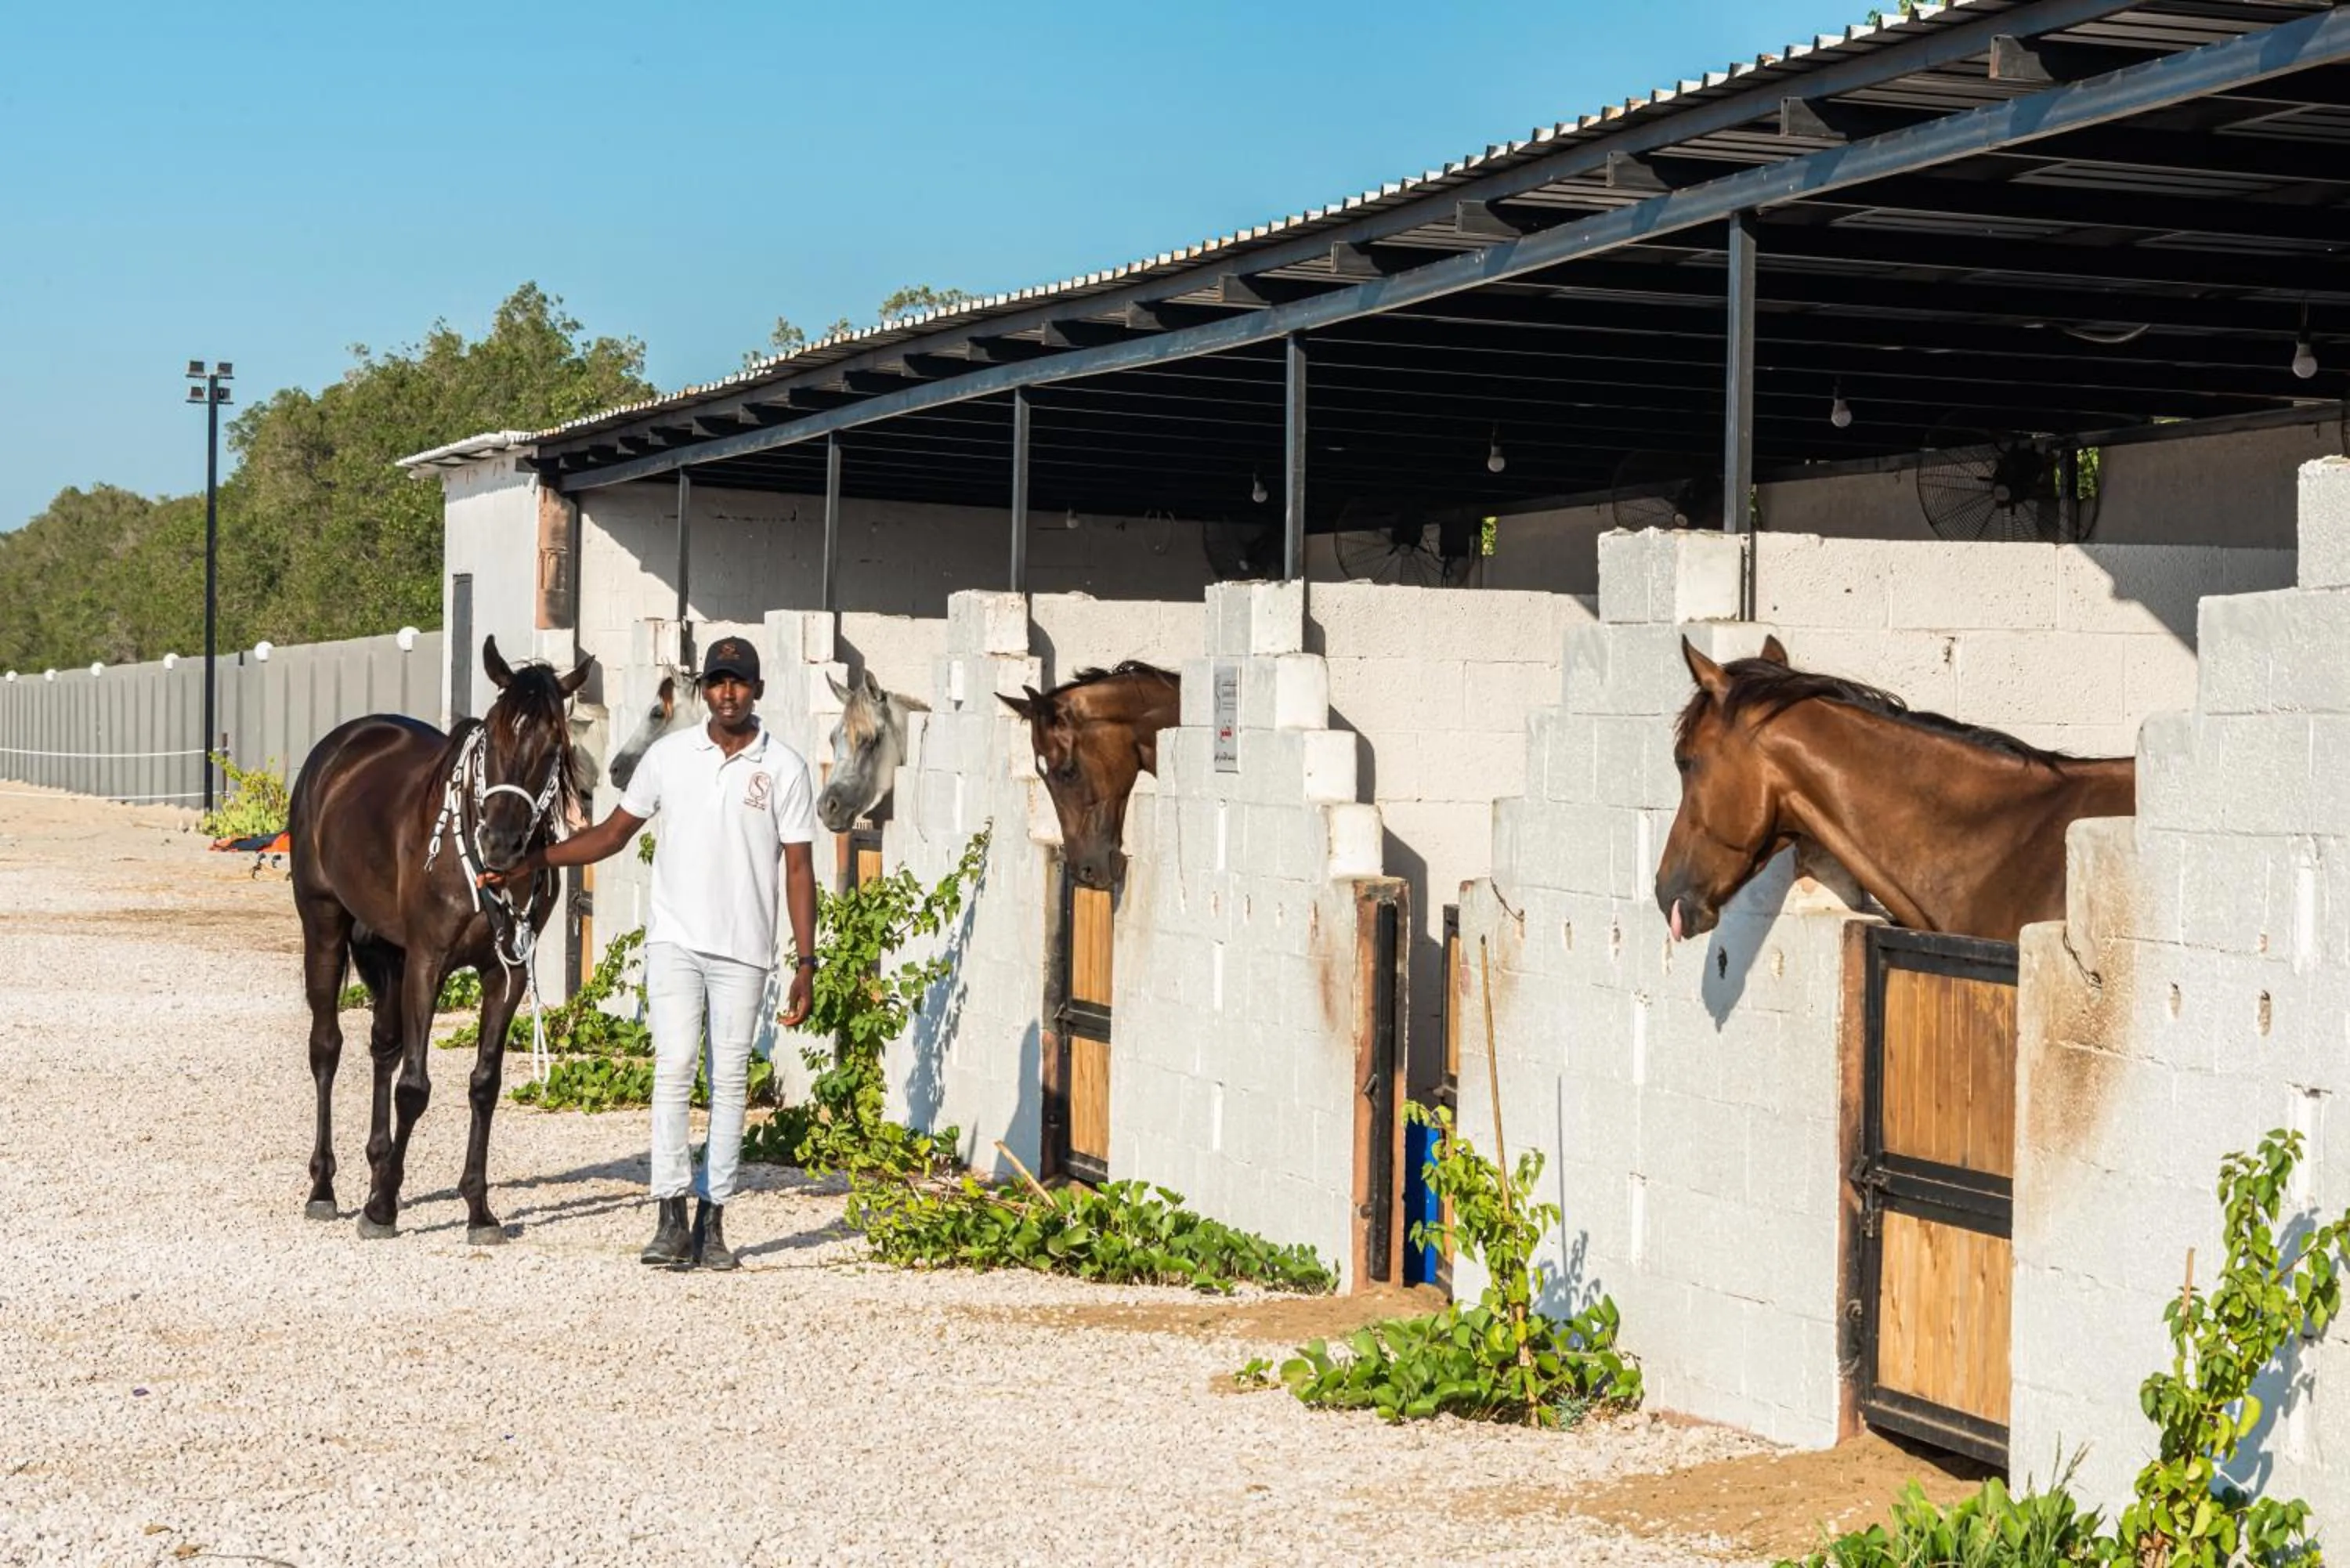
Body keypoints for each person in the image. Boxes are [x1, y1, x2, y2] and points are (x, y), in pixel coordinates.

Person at [483, 635, 817, 1270]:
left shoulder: (785, 769)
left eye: (738, 682)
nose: (727, 693)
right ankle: (668, 1216)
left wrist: (805, 962)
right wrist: (533, 861)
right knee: (674, 1069)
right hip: (675, 942)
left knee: (730, 1082)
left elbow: (799, 870)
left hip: (745, 949)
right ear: (702, 690)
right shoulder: (669, 758)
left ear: (757, 691)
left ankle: (713, 1218)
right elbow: (611, 834)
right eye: (717, 681)